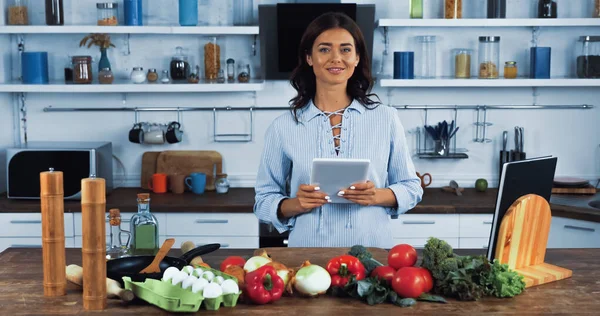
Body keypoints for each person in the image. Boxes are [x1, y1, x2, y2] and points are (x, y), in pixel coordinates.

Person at [253, 12, 423, 248]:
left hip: (372, 254)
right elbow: (263, 200)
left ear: (356, 58)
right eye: (324, 49)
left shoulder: (386, 119)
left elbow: (411, 187)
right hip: (306, 257)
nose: (336, 58)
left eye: (345, 50)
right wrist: (297, 203)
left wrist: (377, 196)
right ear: (309, 58)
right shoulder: (283, 127)